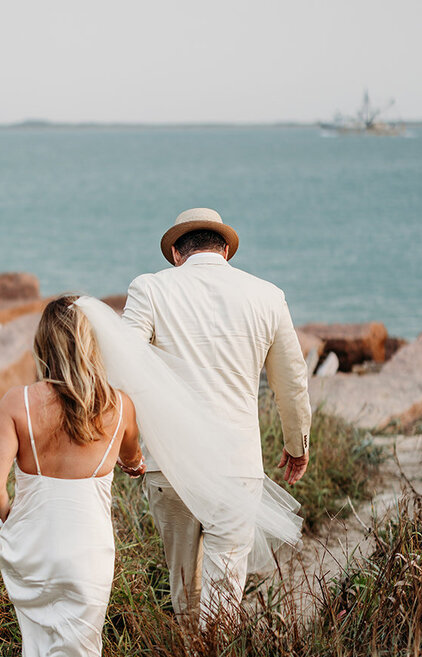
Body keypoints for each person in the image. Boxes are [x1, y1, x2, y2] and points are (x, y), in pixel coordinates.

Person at [0, 296, 144, 657]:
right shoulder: (120, 406)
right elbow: (133, 459)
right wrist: (135, 464)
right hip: (87, 554)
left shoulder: (17, 402)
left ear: (43, 344)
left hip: (33, 552)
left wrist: (16, 522)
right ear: (91, 343)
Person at [121, 207, 312, 628]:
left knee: (184, 588)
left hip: (168, 464)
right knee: (224, 589)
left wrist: (125, 446)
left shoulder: (149, 289)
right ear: (225, 250)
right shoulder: (267, 295)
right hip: (235, 465)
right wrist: (297, 443)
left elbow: (121, 368)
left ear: (175, 252)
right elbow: (292, 381)